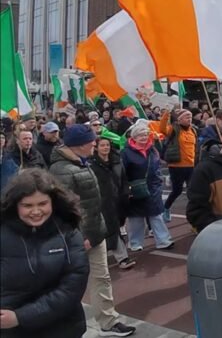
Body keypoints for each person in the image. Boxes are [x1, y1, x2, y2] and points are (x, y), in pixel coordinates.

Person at [46, 125, 136, 337]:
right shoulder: (61, 169)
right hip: (78, 237)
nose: (95, 144)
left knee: (102, 278)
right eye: (91, 141)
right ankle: (62, 324)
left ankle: (108, 321)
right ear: (79, 144)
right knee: (71, 283)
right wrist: (81, 235)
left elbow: (92, 201)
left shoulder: (82, 162)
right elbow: (64, 208)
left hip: (96, 231)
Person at [0, 169, 90, 337]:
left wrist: (21, 317)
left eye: (42, 204)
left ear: (53, 202)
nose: (36, 211)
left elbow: (72, 288)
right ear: (15, 205)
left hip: (62, 328)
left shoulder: (68, 232)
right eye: (27, 205)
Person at [120, 121, 174, 251]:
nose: (144, 137)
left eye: (145, 134)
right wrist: (126, 188)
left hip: (153, 188)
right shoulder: (125, 152)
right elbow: (122, 172)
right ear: (134, 137)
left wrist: (159, 181)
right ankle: (135, 243)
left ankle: (163, 241)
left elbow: (157, 166)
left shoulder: (153, 149)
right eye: (140, 135)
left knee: (156, 215)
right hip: (135, 189)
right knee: (136, 218)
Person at [90, 137, 136, 270]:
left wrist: (126, 192)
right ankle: (122, 258)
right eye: (102, 145)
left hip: (118, 200)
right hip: (102, 202)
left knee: (113, 227)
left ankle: (109, 255)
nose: (106, 147)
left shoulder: (117, 161)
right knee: (111, 228)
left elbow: (124, 179)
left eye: (107, 145)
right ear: (96, 148)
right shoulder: (91, 165)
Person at [157, 108, 198, 222]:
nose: (189, 119)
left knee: (192, 190)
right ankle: (166, 207)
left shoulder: (193, 130)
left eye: (190, 117)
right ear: (179, 119)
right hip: (176, 166)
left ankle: (194, 213)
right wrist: (166, 114)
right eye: (186, 117)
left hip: (190, 165)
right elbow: (162, 129)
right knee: (177, 190)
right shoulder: (174, 129)